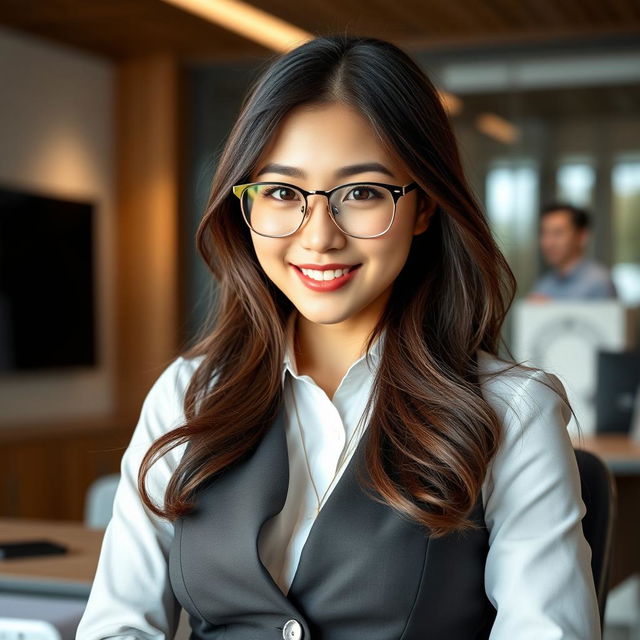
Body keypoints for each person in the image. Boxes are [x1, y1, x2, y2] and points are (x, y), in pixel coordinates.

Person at [76, 35, 600, 639]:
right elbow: (117, 627)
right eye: (279, 192)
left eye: (362, 193)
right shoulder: (188, 393)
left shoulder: (512, 410)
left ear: (424, 208)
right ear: (243, 205)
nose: (318, 236)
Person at [528, 202, 618, 301]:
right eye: (544, 233)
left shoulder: (599, 282)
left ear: (582, 236)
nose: (548, 242)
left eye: (558, 233)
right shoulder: (543, 285)